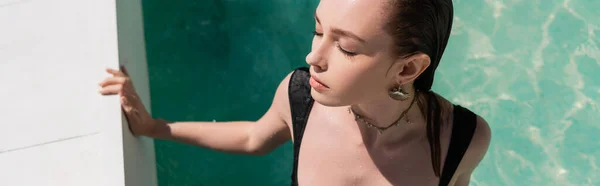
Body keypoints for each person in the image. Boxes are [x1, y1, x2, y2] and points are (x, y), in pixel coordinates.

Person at [98, 0, 491, 185]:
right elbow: (254, 137)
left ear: (407, 68)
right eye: (319, 29)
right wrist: (154, 127)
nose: (313, 56)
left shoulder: (460, 140)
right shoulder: (300, 95)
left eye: (347, 48)